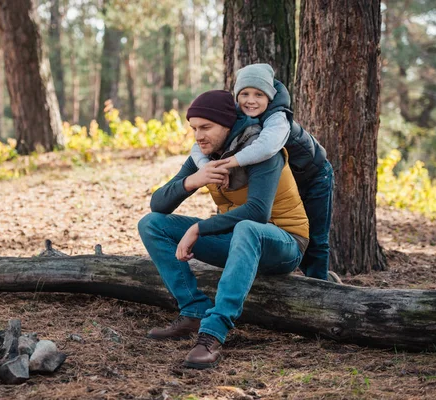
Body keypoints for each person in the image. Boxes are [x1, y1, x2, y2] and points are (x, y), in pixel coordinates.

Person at [138, 90, 309, 369]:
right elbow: (158, 204)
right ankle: (193, 310)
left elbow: (257, 212)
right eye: (194, 128)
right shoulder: (205, 156)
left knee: (247, 228)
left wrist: (199, 228)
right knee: (151, 224)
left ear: (228, 124)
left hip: (285, 244)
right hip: (238, 241)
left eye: (206, 127)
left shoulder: (263, 150)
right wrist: (192, 181)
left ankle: (213, 333)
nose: (198, 136)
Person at [189, 64, 335, 282]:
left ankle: (320, 286)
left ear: (269, 96)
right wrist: (205, 167)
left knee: (315, 237)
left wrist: (228, 164)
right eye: (244, 94)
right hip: (283, 181)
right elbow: (195, 148)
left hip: (313, 176)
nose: (251, 100)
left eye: (259, 94)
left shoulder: (278, 117)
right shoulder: (234, 116)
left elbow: (266, 147)